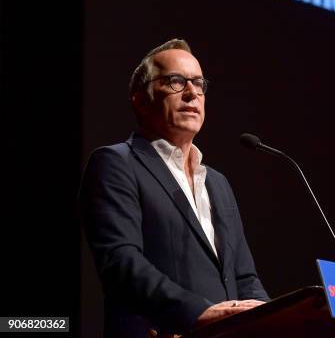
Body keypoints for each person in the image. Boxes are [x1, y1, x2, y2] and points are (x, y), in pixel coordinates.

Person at [79, 39, 269, 337]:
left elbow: (244, 278)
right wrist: (195, 313)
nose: (192, 93)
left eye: (198, 83)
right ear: (141, 100)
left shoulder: (217, 183)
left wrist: (273, 319)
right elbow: (120, 262)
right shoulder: (116, 163)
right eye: (176, 82)